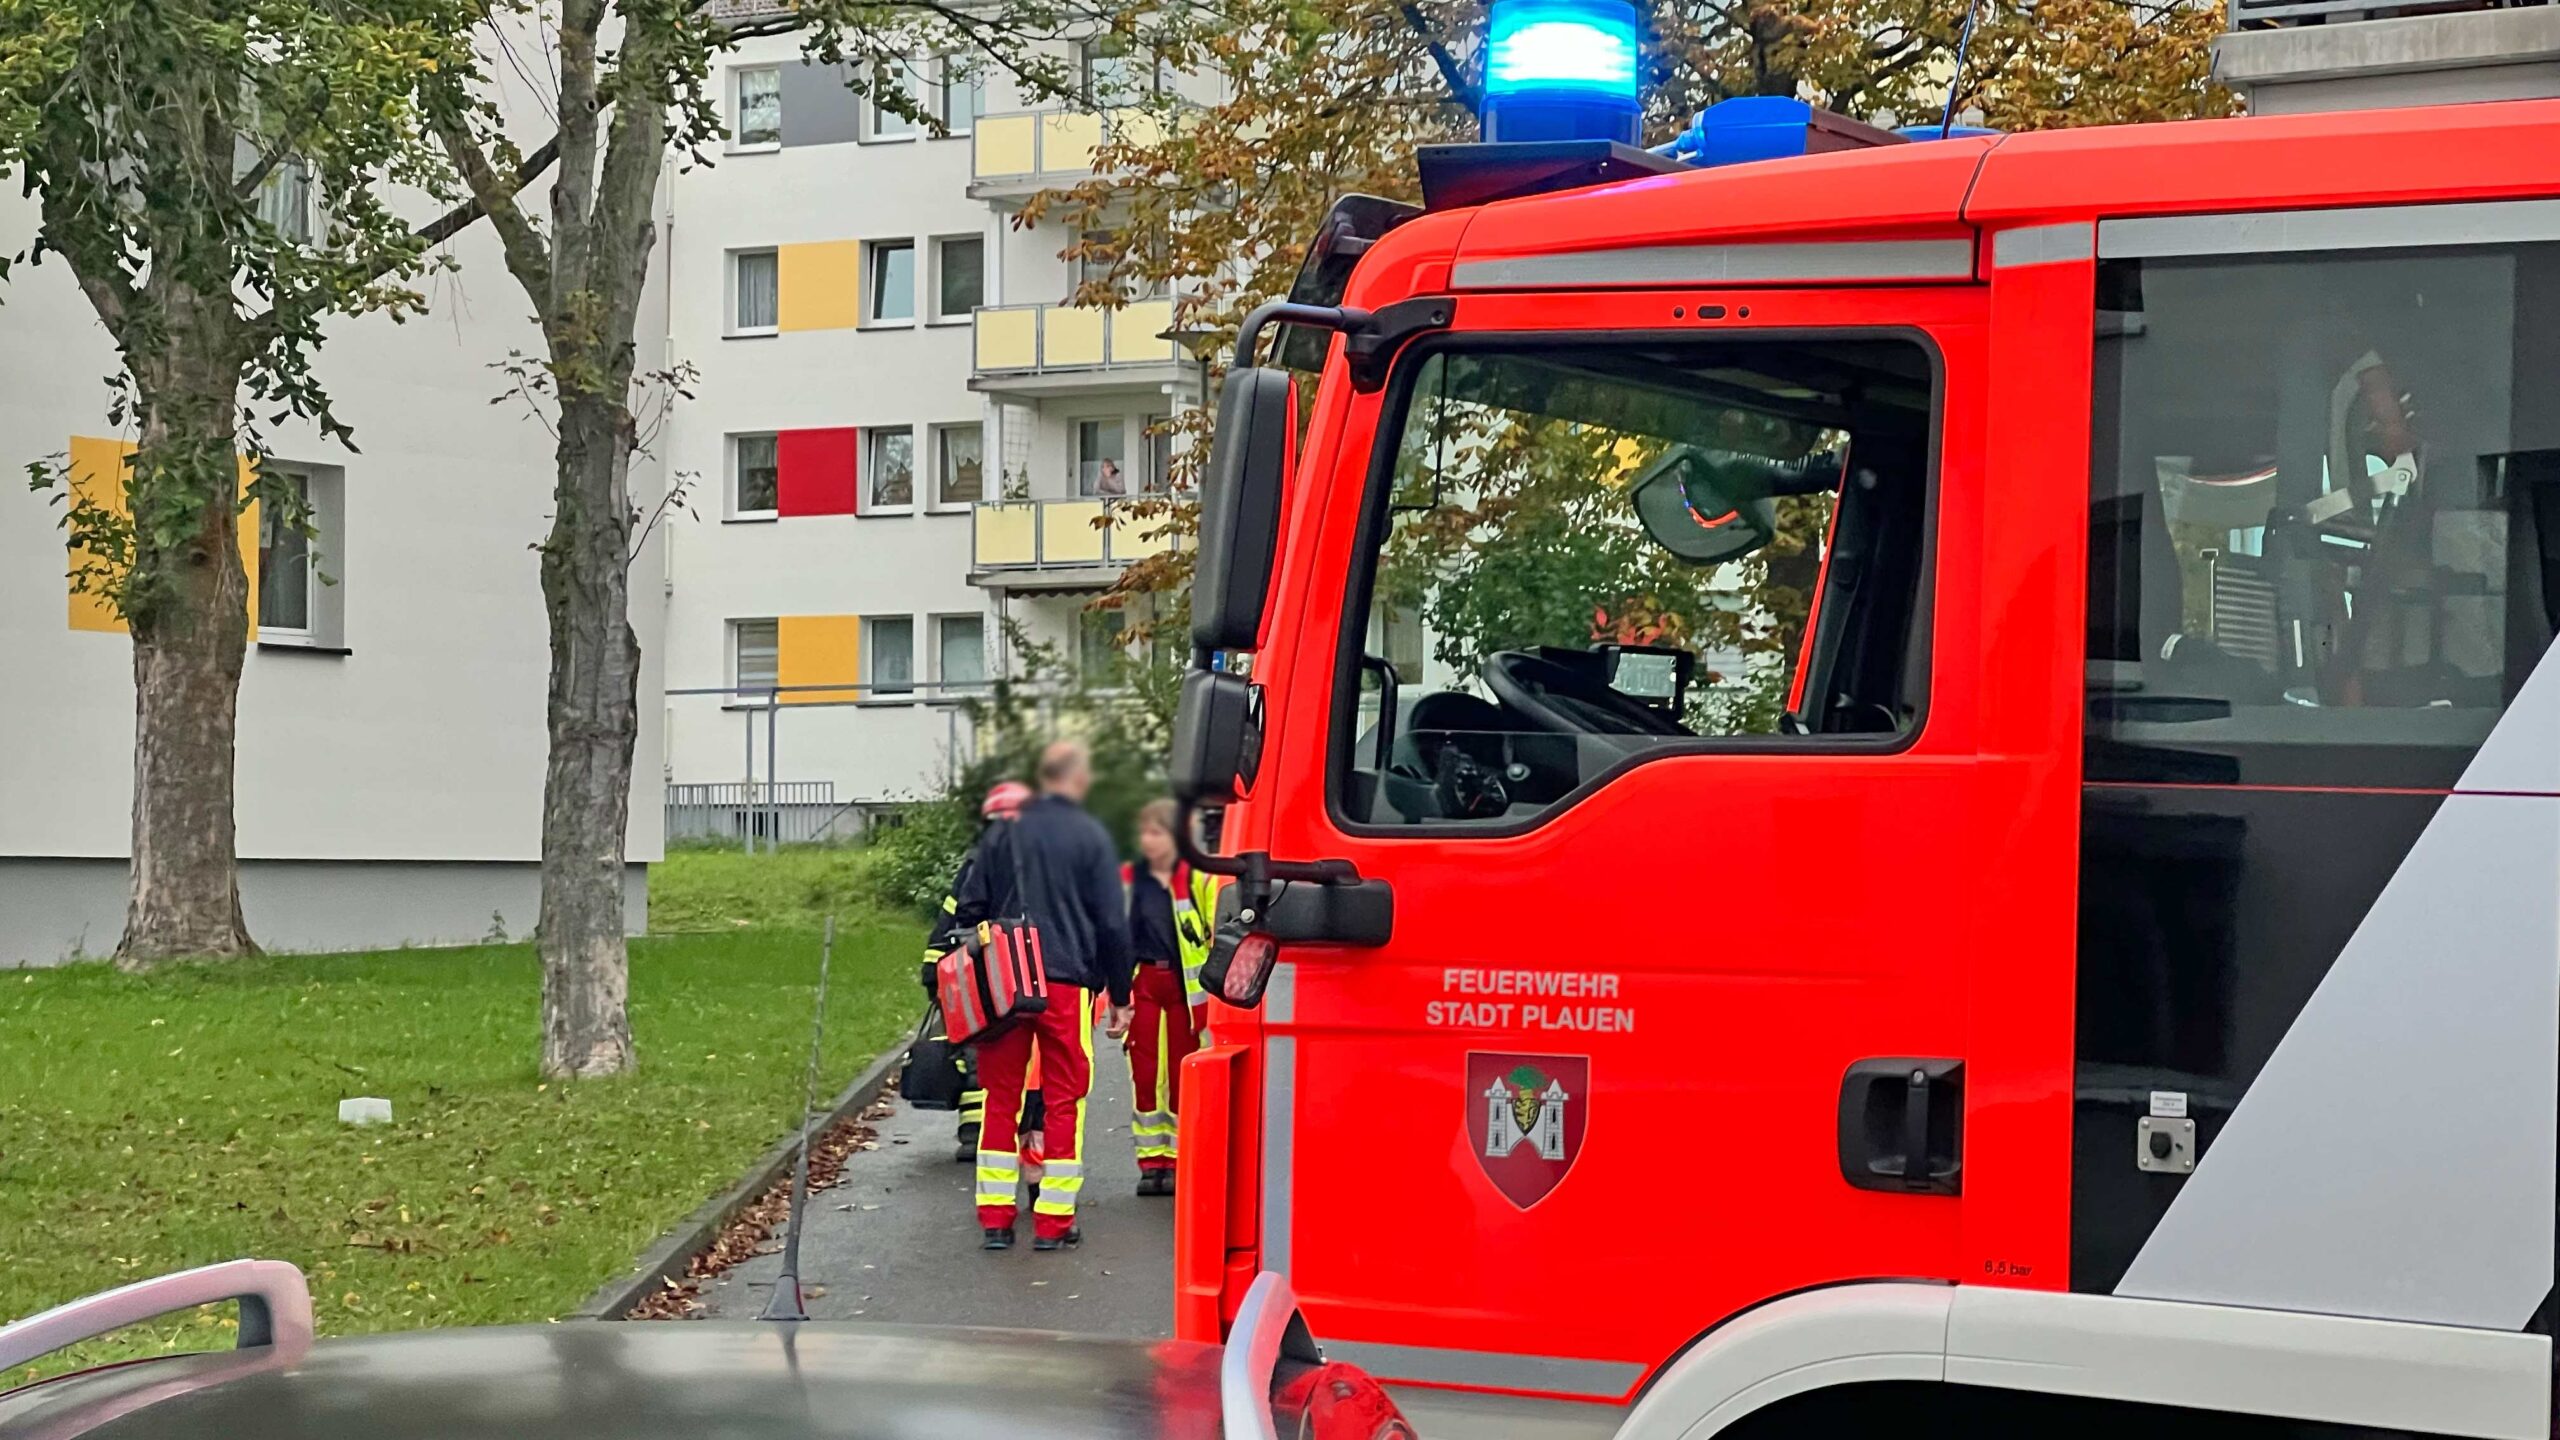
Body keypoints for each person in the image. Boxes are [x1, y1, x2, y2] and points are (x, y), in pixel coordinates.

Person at [957, 740, 1134, 1252]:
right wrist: (1119, 993)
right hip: (1064, 980)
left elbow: (969, 909)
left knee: (1001, 1096)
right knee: (1064, 1097)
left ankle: (994, 1219)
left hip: (1005, 981)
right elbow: (1111, 924)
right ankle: (1054, 1223)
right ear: (1079, 782)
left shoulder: (1000, 834)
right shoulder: (1090, 838)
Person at [923, 782, 1032, 1162]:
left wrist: (935, 968)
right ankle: (1000, 1130)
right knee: (1001, 1054)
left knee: (984, 1048)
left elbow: (955, 916)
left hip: (984, 968)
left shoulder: (981, 859)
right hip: (1012, 969)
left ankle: (979, 1131)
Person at [1121, 798, 1219, 1196]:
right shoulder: (1133, 880)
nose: (1148, 841)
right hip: (1145, 981)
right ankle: (1151, 1163)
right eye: (1144, 833)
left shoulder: (1197, 878)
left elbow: (1216, 927)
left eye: (1156, 833)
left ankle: (1179, 1160)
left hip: (1185, 992)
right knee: (1145, 1074)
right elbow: (1118, 936)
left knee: (1182, 1075)